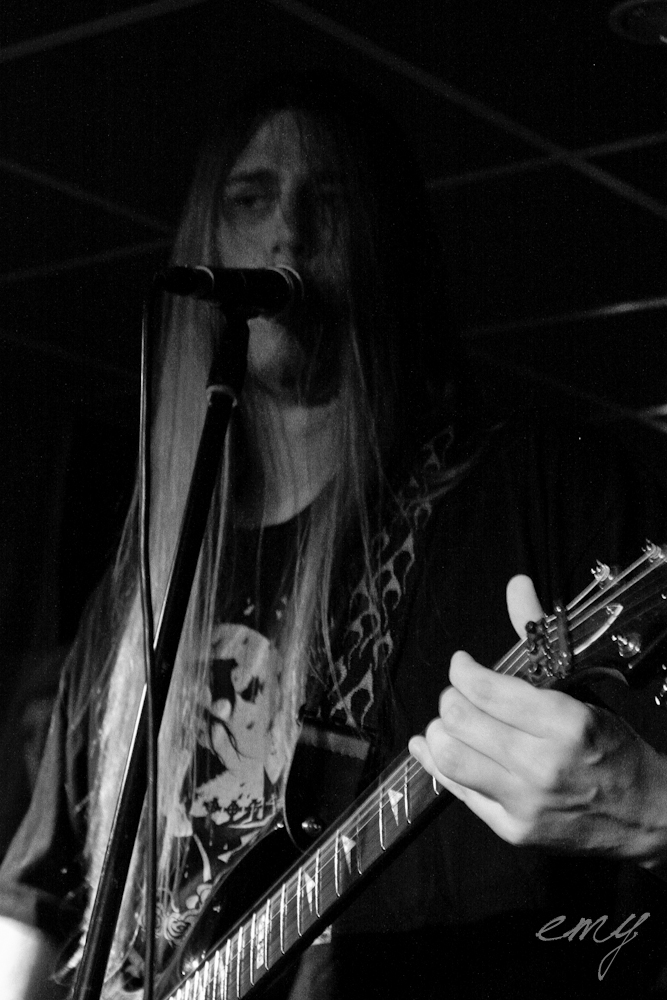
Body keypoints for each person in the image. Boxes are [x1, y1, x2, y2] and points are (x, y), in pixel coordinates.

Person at [1, 71, 667, 1000]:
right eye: (250, 198)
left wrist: (649, 807)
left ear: (385, 241)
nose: (288, 234)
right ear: (207, 242)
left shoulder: (533, 494)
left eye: (329, 200)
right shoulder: (149, 581)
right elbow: (30, 907)